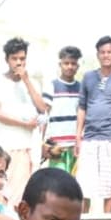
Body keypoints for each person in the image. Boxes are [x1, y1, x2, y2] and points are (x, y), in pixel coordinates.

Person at [76, 36, 111, 214]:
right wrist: (78, 136)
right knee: (84, 185)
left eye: (110, 52)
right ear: (97, 55)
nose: (106, 55)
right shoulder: (88, 77)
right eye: (102, 52)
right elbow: (82, 107)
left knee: (109, 185)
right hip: (90, 139)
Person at [0, 37, 47, 206]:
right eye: (15, 59)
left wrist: (27, 81)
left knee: (29, 194)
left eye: (22, 58)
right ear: (7, 59)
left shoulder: (32, 82)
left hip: (31, 147)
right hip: (11, 146)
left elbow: (43, 109)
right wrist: (24, 124)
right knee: (10, 194)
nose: (18, 63)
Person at [41, 46, 82, 174]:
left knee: (74, 185)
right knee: (58, 183)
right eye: (66, 63)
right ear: (60, 64)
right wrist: (42, 143)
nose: (69, 67)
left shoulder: (81, 88)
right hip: (57, 147)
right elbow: (44, 114)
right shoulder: (52, 86)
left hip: (75, 146)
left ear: (77, 66)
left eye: (73, 63)